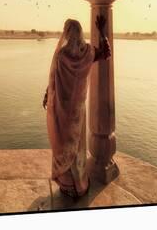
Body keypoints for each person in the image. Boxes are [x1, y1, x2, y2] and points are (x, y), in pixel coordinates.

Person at [42, 15, 111, 198]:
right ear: (80, 33)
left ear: (66, 33)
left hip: (61, 109)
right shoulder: (88, 52)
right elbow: (106, 53)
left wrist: (47, 95)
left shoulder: (62, 55)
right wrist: (102, 31)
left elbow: (53, 80)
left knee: (62, 144)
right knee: (77, 147)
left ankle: (66, 186)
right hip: (78, 112)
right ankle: (79, 185)